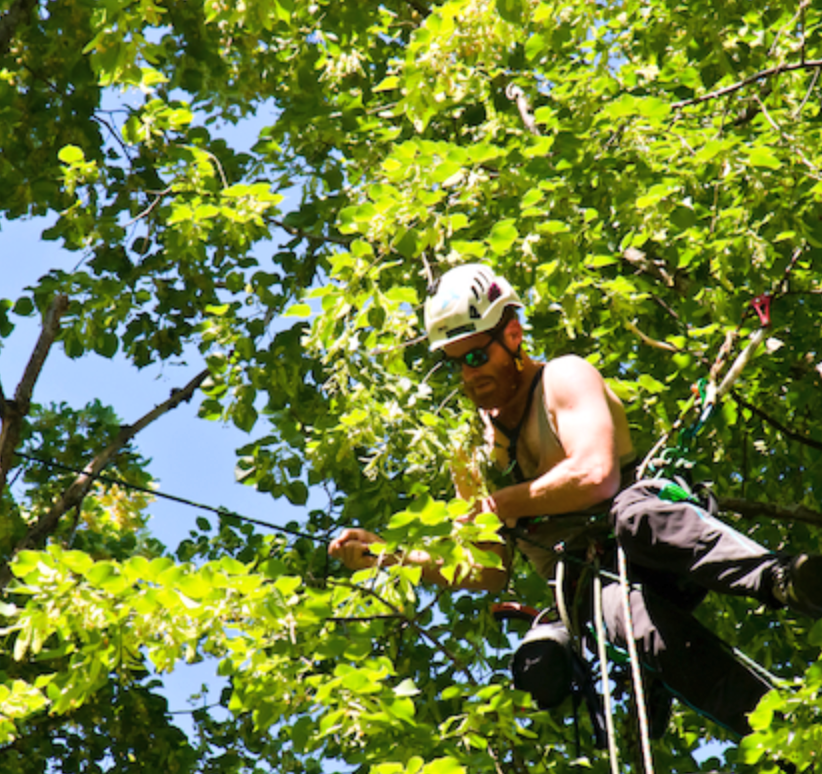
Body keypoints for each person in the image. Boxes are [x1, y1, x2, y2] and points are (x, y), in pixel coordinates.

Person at [329, 263, 822, 737]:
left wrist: (501, 505)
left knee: (634, 518)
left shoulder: (562, 378)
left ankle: (783, 579)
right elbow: (487, 568)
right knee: (638, 631)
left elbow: (596, 476)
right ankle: (782, 732)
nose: (467, 374)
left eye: (476, 355)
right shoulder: (470, 455)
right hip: (587, 579)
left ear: (512, 337)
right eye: (454, 362)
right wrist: (386, 557)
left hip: (655, 534)